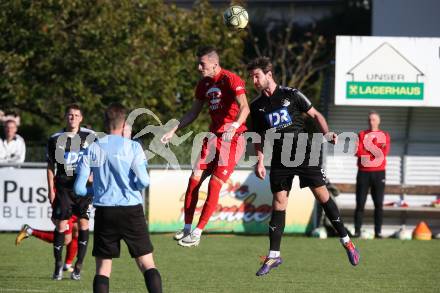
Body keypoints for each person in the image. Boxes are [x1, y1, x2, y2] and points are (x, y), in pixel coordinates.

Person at [247, 57, 360, 276]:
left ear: (269, 75)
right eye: (251, 77)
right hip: (280, 158)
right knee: (279, 203)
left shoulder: (292, 94)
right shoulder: (256, 106)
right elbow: (259, 137)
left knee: (322, 196)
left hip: (303, 153)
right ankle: (273, 256)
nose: (253, 80)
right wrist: (259, 160)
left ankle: (346, 241)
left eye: (256, 76)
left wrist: (326, 133)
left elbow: (315, 114)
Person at [161, 46, 250, 247]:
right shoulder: (203, 84)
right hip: (212, 138)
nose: (199, 67)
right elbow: (193, 113)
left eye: (202, 63)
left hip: (232, 139)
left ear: (214, 63)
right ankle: (186, 229)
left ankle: (198, 233)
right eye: (198, 63)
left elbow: (245, 107)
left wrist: (235, 125)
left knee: (214, 184)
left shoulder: (230, 79)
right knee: (193, 179)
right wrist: (173, 129)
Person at [74, 103, 162, 293]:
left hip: (105, 212)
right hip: (131, 210)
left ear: (106, 124)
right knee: (147, 263)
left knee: (103, 269)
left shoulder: (92, 149)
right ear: (124, 125)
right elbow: (145, 181)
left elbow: (79, 189)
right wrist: (133, 188)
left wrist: (96, 192)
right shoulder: (133, 147)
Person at [46, 104, 95, 280]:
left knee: (83, 225)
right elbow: (51, 166)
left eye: (76, 115)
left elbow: (100, 159)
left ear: (81, 118)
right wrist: (50, 189)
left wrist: (93, 176)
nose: (73, 117)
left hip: (84, 190)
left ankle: (78, 267)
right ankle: (58, 266)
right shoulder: (55, 139)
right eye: (70, 115)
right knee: (61, 226)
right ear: (65, 117)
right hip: (63, 189)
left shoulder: (90, 137)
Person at [354, 110, 390, 239]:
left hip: (379, 174)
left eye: (374, 119)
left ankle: (378, 232)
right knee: (360, 203)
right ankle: (357, 231)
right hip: (363, 173)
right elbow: (358, 152)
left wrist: (367, 153)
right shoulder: (362, 135)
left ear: (379, 121)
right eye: (369, 120)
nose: (371, 122)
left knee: (379, 204)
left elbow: (382, 154)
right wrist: (373, 154)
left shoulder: (384, 135)